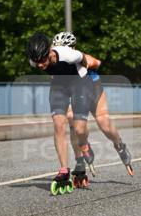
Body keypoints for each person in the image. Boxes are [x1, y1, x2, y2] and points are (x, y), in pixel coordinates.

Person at [51, 32, 133, 176]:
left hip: (93, 87)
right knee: (72, 119)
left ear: (72, 48)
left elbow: (97, 62)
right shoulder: (54, 61)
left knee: (104, 123)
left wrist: (90, 62)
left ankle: (119, 145)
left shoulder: (78, 56)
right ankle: (80, 159)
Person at [27, 31, 98, 193]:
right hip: (59, 86)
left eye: (42, 60)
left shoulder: (69, 55)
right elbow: (44, 65)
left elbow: (86, 61)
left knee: (76, 124)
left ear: (49, 52)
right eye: (37, 62)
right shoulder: (34, 61)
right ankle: (64, 169)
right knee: (59, 124)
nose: (39, 65)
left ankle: (83, 150)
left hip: (80, 83)